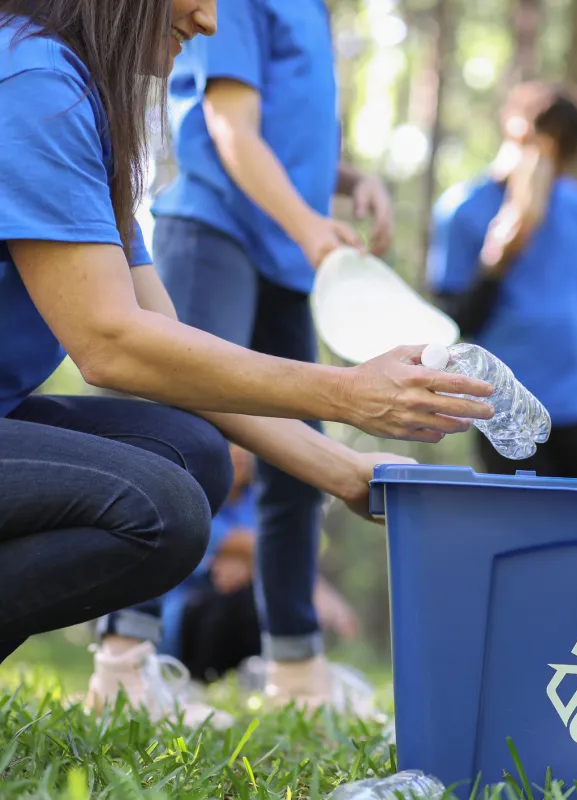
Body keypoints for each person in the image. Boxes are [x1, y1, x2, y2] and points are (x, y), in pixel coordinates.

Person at [0, 0, 494, 729]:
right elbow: (108, 345)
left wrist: (346, 468)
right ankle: (127, 663)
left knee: (192, 453)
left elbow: (158, 341)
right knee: (158, 508)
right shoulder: (33, 82)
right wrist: (349, 393)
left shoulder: (81, 99)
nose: (208, 19)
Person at [148, 0, 398, 716]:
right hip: (214, 232)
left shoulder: (314, 12)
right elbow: (230, 125)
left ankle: (296, 672)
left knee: (297, 465)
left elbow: (286, 130)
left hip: (285, 256)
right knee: (189, 432)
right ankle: (128, 656)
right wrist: (313, 228)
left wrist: (348, 181)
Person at [427, 81, 577, 481]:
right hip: (507, 411)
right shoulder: (462, 210)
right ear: (516, 133)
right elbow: (455, 323)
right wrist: (498, 260)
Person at [160, 444, 365, 693]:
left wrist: (251, 564)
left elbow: (272, 547)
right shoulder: (190, 498)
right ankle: (194, 680)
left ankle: (268, 672)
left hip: (244, 607)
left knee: (278, 597)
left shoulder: (258, 501)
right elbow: (271, 544)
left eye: (245, 444)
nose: (239, 453)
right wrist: (312, 585)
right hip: (190, 620)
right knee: (244, 595)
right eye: (227, 443)